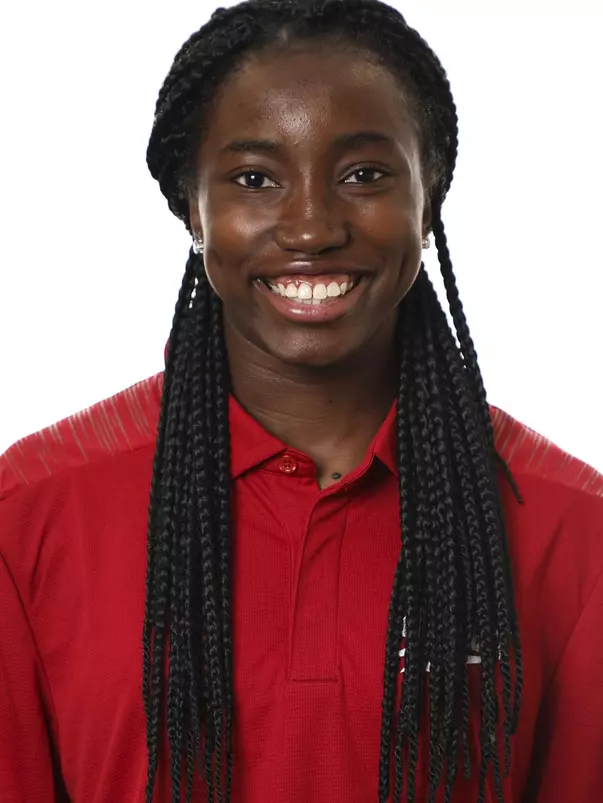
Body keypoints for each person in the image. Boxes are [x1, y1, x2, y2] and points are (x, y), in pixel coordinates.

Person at [1, 0, 602, 801]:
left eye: (362, 175)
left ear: (432, 196)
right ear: (192, 208)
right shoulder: (32, 509)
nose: (312, 227)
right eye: (255, 178)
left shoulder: (571, 529)